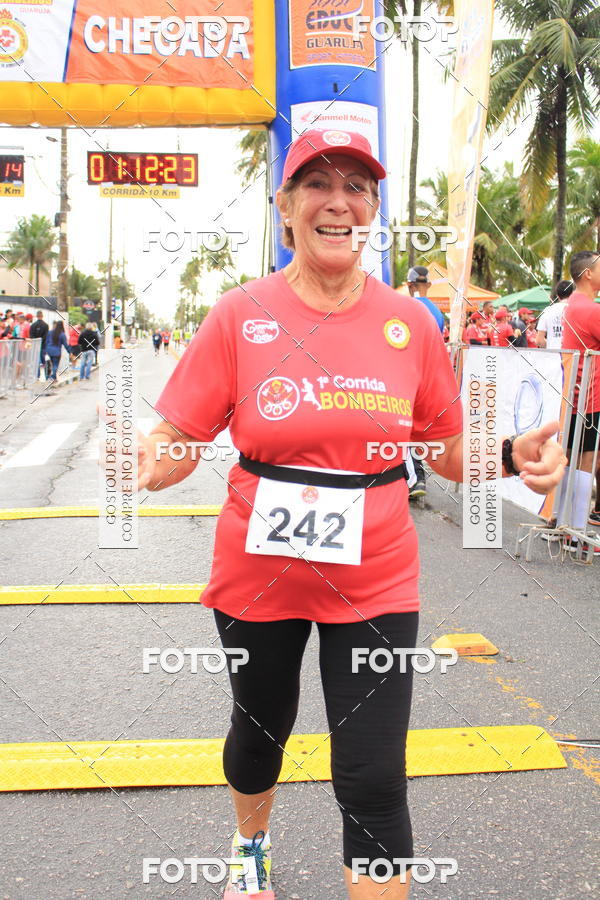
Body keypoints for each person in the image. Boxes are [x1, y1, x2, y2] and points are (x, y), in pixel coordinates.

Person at [134, 130, 565, 900]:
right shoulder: (238, 315)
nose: (339, 202)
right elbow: (179, 440)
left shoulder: (410, 323)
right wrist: (143, 462)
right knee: (259, 735)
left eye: (357, 187)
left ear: (373, 210)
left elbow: (443, 448)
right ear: (286, 207)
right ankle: (250, 843)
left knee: (374, 777)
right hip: (259, 577)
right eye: (317, 184)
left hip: (375, 580)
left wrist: (507, 455)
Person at [559, 251, 600, 541]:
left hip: (576, 394)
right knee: (586, 460)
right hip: (589, 396)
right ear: (588, 274)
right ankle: (576, 532)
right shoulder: (589, 309)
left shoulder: (574, 303)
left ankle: (564, 525)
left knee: (573, 460)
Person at [405, 266, 444, 499]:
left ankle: (416, 477)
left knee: (403, 428)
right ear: (428, 285)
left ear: (409, 285)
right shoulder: (437, 312)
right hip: (429, 376)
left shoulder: (407, 307)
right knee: (414, 429)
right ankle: (413, 476)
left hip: (409, 375)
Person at [536, 280, 574, 349]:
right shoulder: (577, 310)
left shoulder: (547, 311)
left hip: (552, 354)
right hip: (572, 354)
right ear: (572, 294)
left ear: (557, 296)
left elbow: (539, 341)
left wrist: (551, 345)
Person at [29, 310, 49, 378]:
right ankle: (46, 375)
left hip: (35, 345)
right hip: (43, 346)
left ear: (37, 316)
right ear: (42, 316)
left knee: (36, 360)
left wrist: (36, 341)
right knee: (44, 360)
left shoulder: (33, 325)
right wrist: (41, 341)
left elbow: (31, 335)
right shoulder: (46, 325)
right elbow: (46, 336)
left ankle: (37, 375)